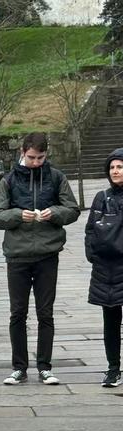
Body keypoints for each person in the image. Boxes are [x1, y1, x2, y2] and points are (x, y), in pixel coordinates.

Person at [0, 132, 80, 386]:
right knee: (18, 313)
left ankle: (45, 367)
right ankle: (19, 367)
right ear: (22, 152)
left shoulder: (56, 177)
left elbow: (73, 210)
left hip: (47, 254)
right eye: (31, 157)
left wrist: (54, 213)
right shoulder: (9, 180)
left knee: (45, 313)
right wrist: (18, 215)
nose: (36, 162)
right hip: (17, 255)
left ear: (46, 154)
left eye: (40, 157)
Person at [84, 148, 123, 387]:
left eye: (120, 167)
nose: (115, 171)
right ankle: (113, 369)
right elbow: (90, 229)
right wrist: (92, 254)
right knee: (110, 321)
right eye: (112, 167)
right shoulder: (102, 197)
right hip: (106, 268)